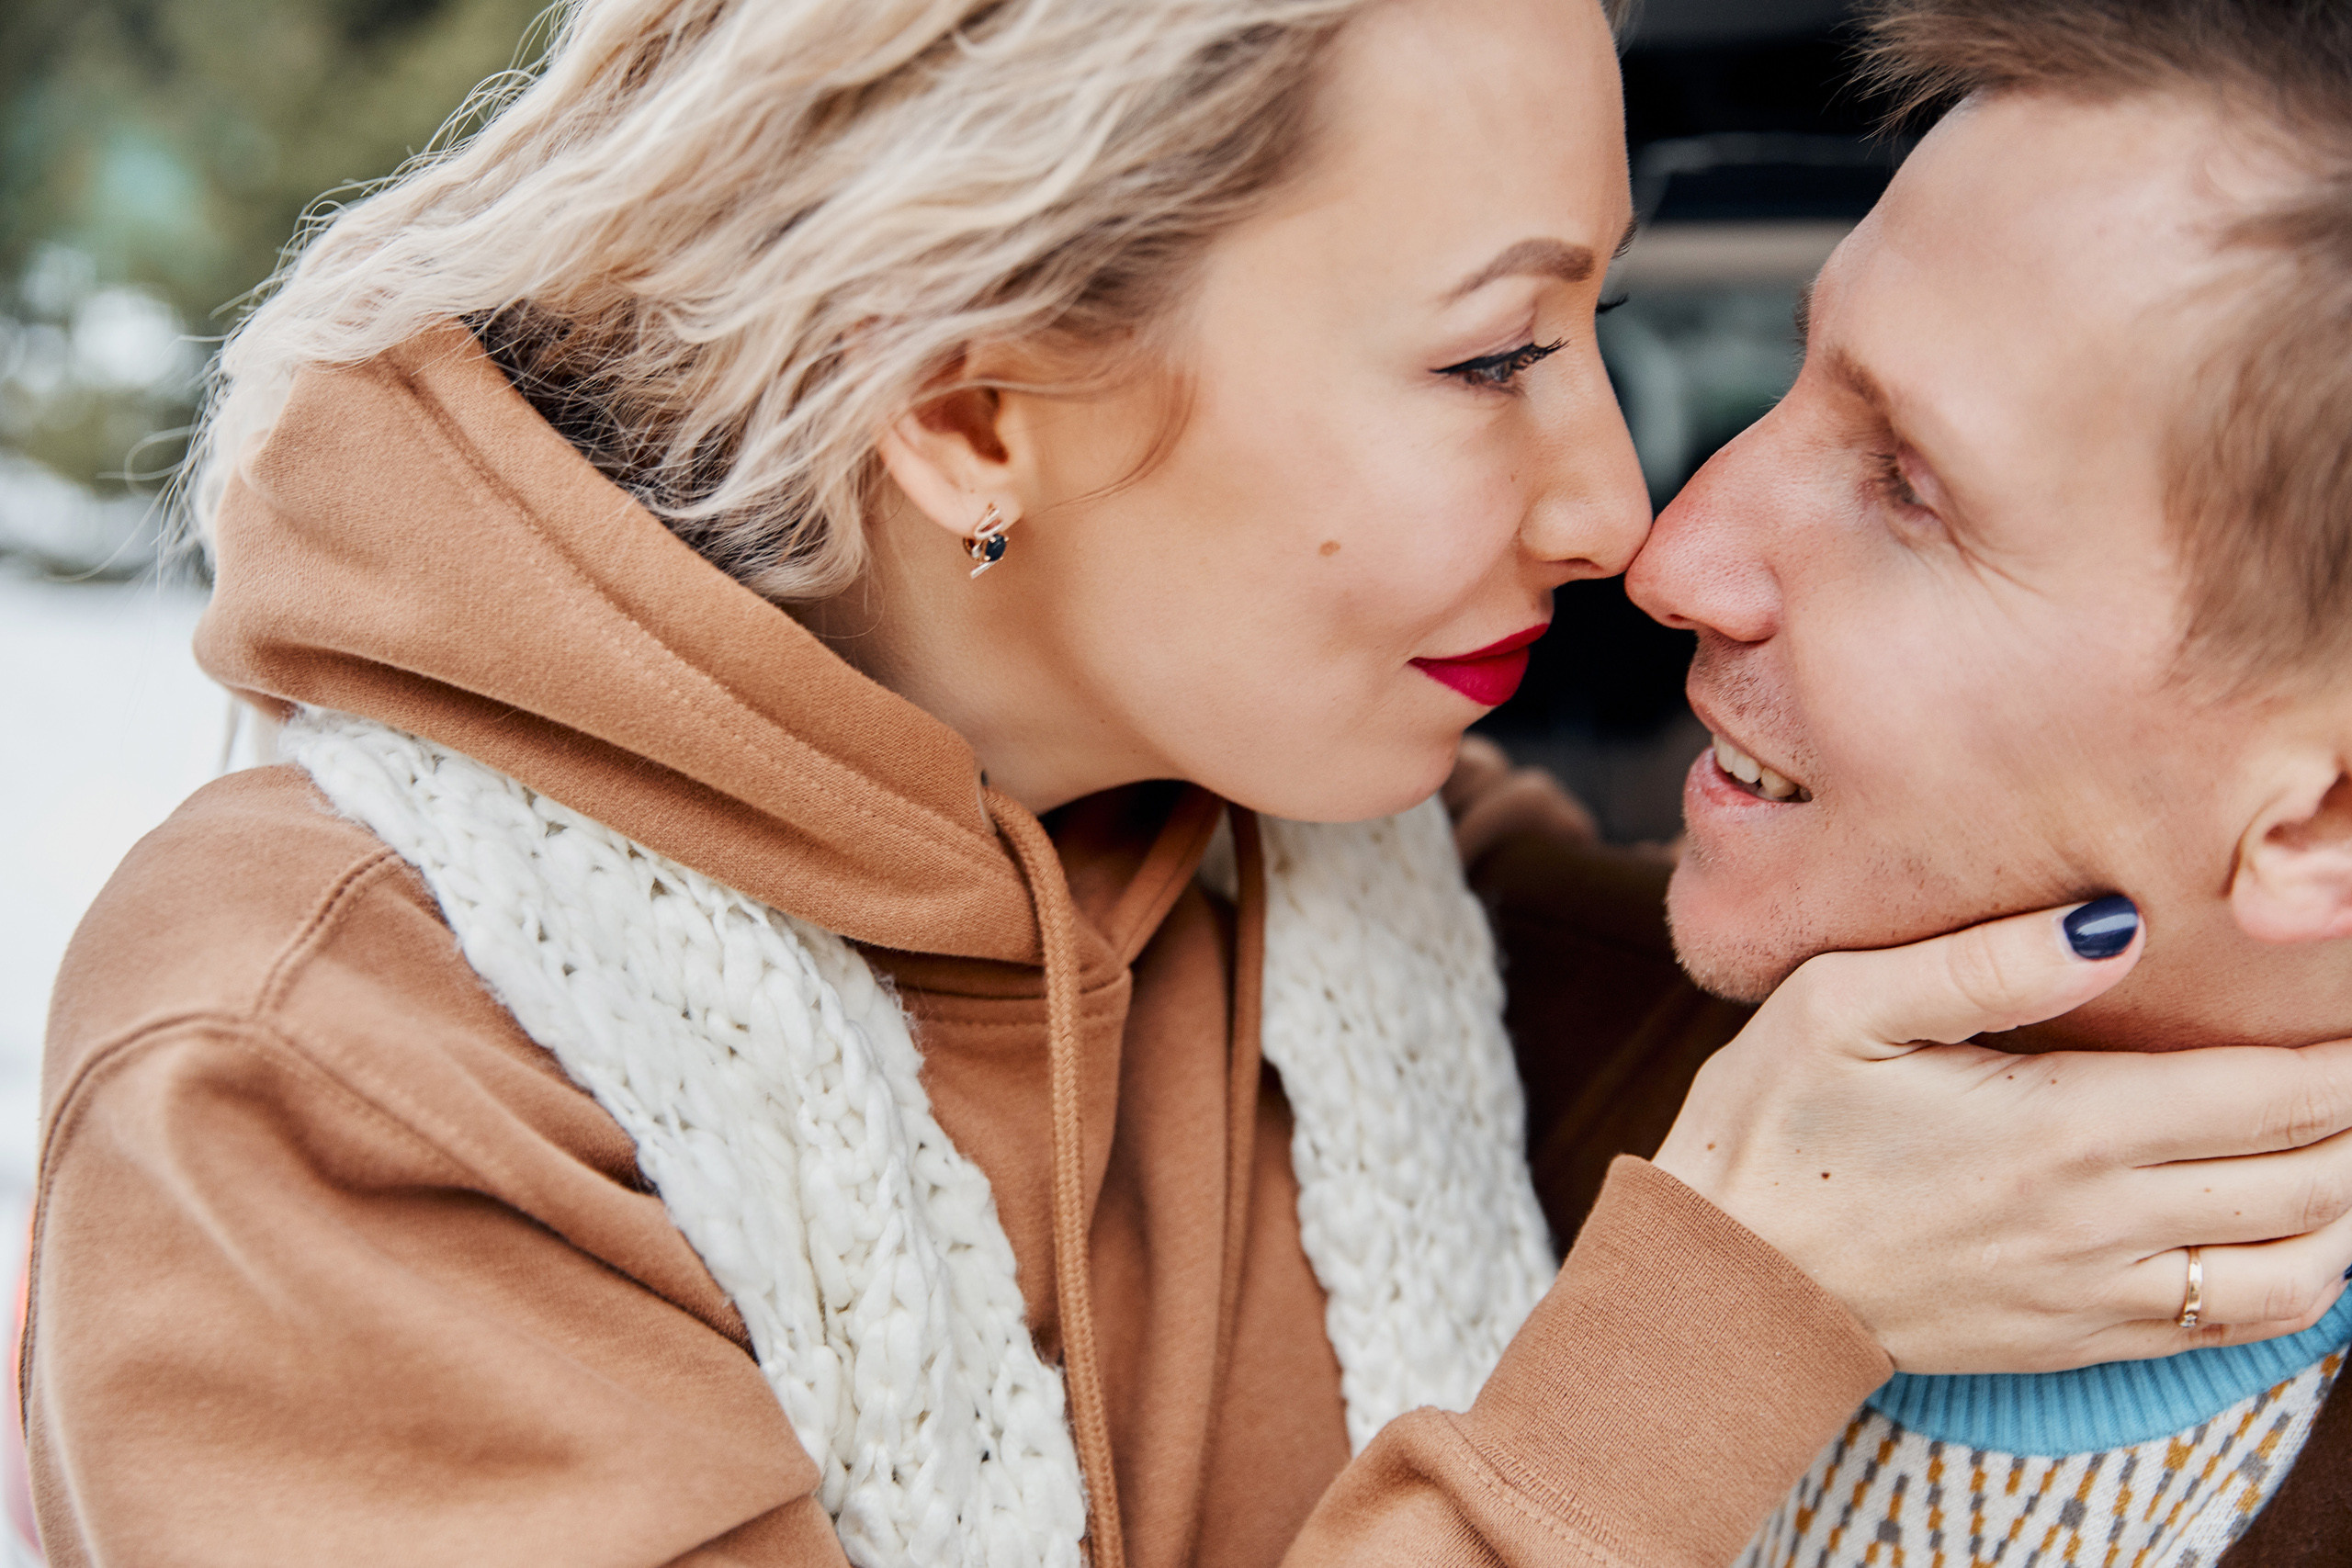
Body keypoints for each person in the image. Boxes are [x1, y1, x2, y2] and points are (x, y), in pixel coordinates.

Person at [23, 0, 2352, 1564]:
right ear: (962, 407)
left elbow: (2016, 1071)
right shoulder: (323, 1078)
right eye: (1490, 353)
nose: (1622, 511)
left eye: (1601, 327)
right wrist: (1706, 1327)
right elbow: (1763, 1232)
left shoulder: (1365, 876)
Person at [1482, 0, 2352, 1560]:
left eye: (1906, 488)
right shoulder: (1470, 1026)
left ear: (2326, 819)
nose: (1672, 556)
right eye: (1804, 373)